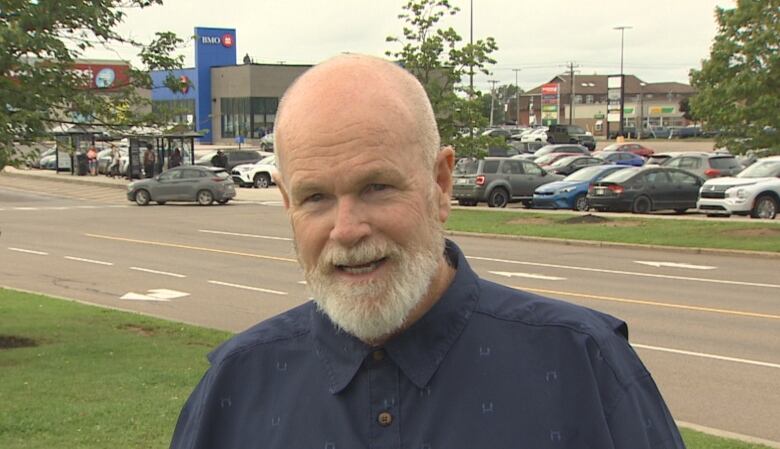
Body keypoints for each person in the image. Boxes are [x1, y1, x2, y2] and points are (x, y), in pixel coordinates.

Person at [169, 55, 685, 449]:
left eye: (376, 187)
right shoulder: (236, 386)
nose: (346, 230)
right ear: (286, 203)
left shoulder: (584, 366)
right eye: (316, 197)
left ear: (440, 183)